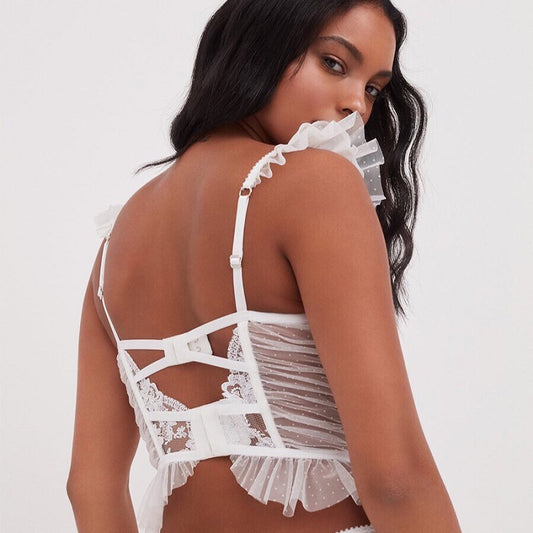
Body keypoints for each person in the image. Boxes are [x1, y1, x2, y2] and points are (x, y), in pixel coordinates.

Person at [67, 1, 462, 532]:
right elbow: (395, 479)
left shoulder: (114, 245)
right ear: (260, 45)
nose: (356, 105)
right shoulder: (318, 184)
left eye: (373, 88)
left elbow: (88, 487)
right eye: (334, 63)